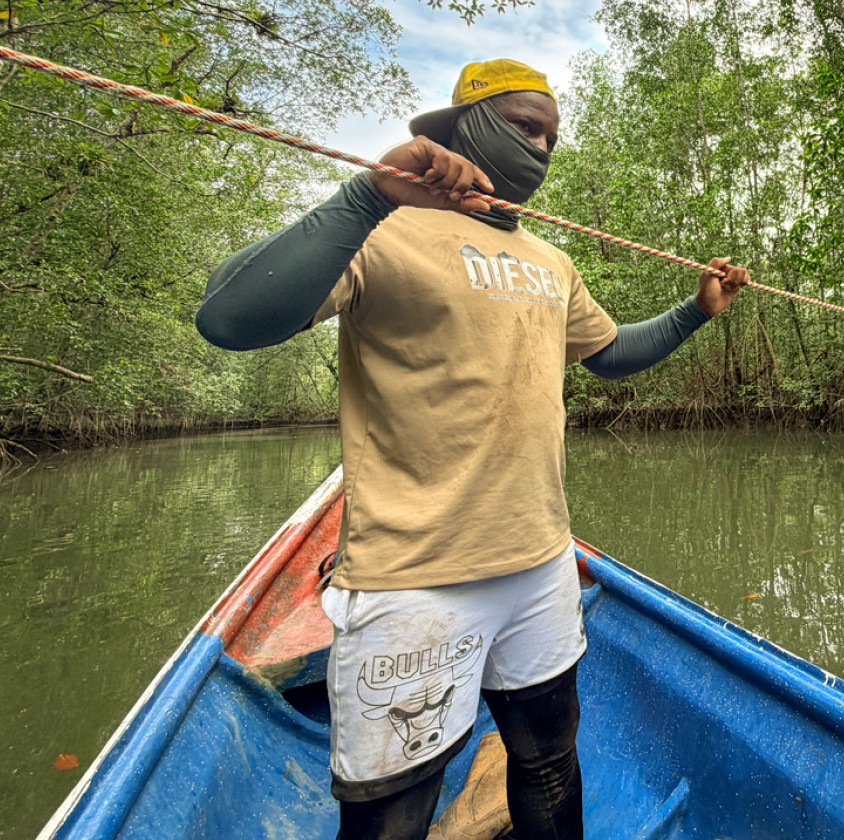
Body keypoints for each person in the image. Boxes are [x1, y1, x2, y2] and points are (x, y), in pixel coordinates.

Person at [195, 59, 748, 840]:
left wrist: (696, 311)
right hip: (413, 579)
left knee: (550, 764)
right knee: (393, 815)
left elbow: (612, 354)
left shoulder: (553, 261)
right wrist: (370, 194)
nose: (542, 149)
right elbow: (228, 319)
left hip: (540, 562)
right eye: (526, 127)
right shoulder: (382, 227)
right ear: (466, 126)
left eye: (551, 138)